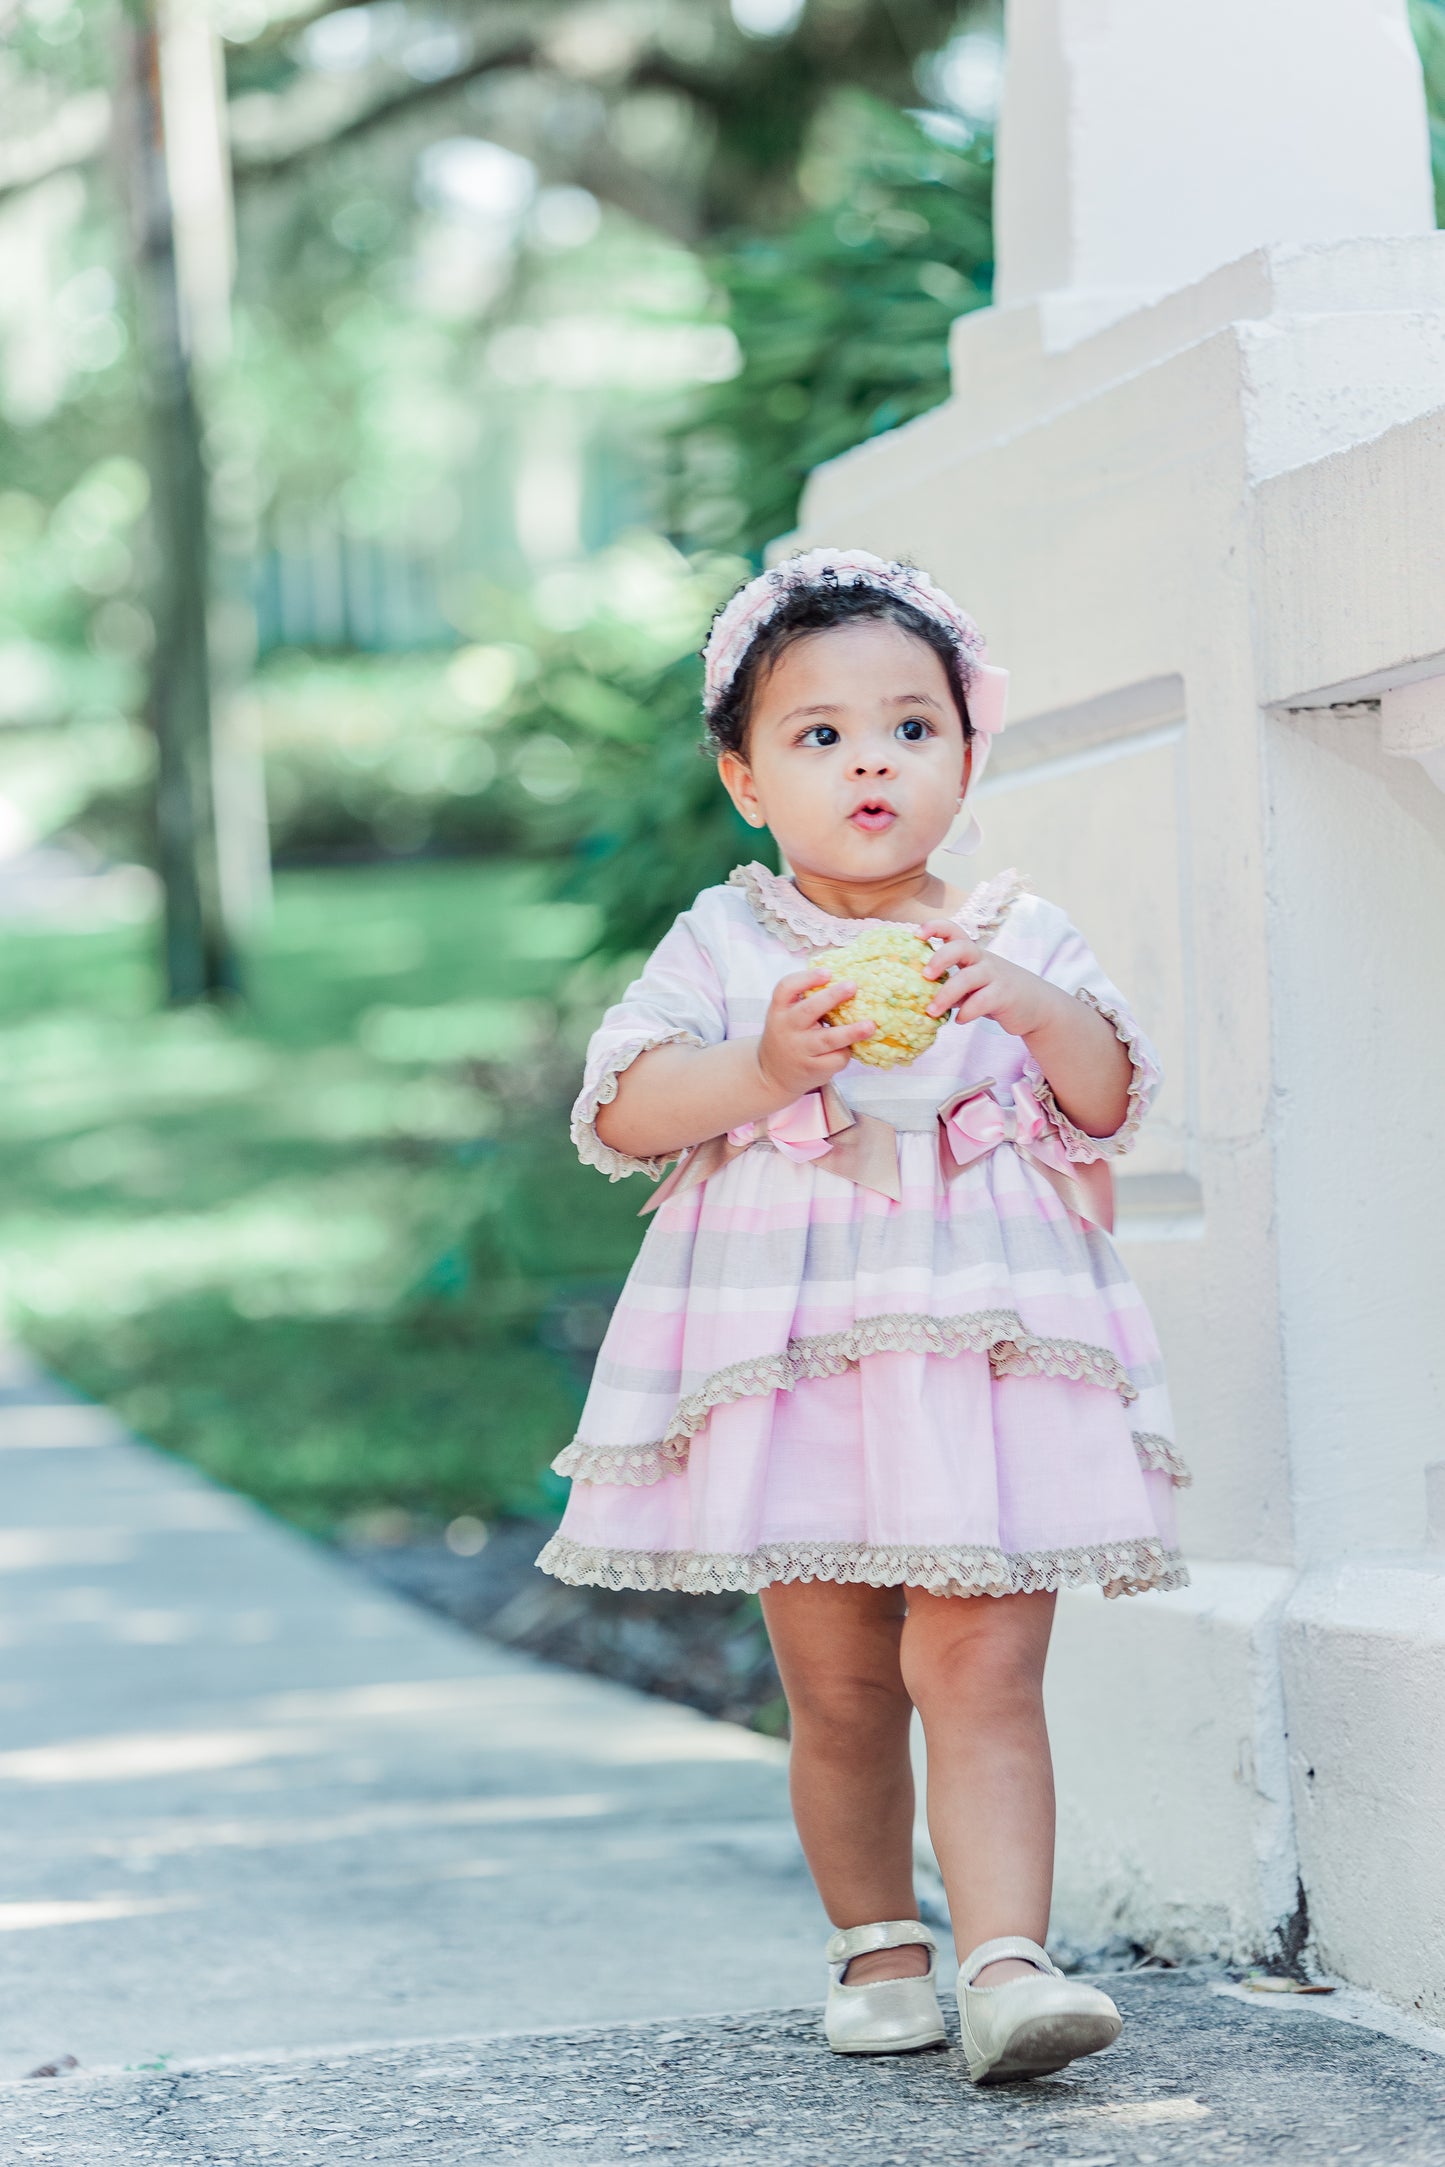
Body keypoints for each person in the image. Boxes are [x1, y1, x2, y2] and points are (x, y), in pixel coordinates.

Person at [537, 548, 1186, 2083]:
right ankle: (876, 1943)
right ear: (746, 778)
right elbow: (624, 1109)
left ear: (967, 751)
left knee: (978, 1661)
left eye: (909, 725)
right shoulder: (727, 939)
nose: (868, 760)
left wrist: (1029, 1004)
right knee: (835, 1685)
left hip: (980, 1362)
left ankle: (1007, 1960)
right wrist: (763, 1064)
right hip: (797, 1365)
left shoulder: (1016, 933)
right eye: (816, 735)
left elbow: (1104, 1100)